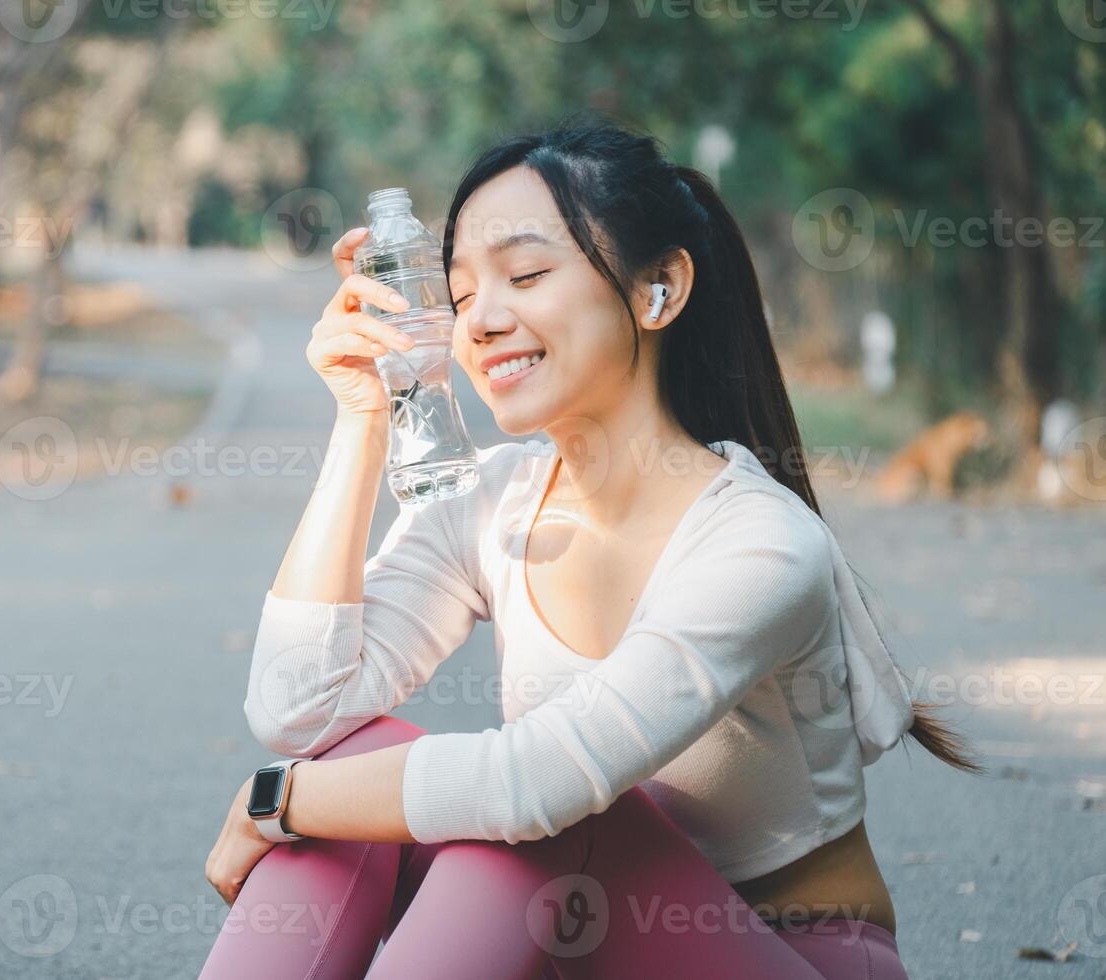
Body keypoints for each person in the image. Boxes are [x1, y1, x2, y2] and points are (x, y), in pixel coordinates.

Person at [200, 120, 985, 979]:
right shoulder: (493, 497)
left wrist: (276, 801)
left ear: (657, 290)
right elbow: (299, 711)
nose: (483, 321)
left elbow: (535, 784)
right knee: (355, 756)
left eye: (526, 275)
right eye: (458, 297)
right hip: (579, 941)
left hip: (785, 958)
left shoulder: (761, 543)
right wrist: (361, 418)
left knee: (544, 812)